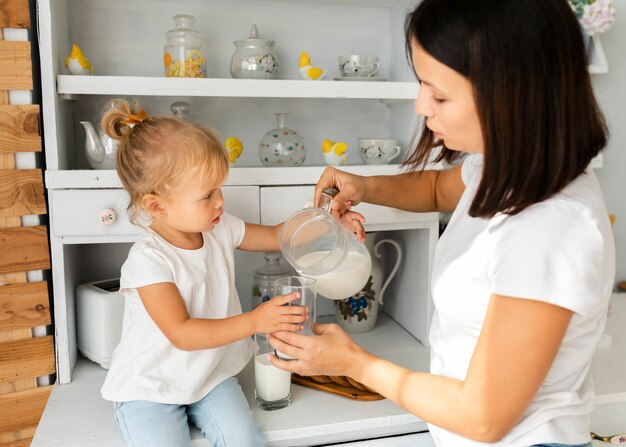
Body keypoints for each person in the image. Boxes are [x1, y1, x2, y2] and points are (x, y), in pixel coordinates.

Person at [269, 1, 615, 446]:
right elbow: (436, 188)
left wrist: (354, 362)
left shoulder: (549, 228)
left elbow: (484, 417)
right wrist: (364, 187)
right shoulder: (502, 167)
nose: (421, 107)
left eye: (439, 94)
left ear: (510, 92)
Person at [99, 99, 312, 447]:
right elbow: (182, 333)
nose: (220, 202)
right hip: (150, 386)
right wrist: (256, 322)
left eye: (219, 189)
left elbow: (277, 236)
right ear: (156, 204)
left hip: (210, 375)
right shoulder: (148, 260)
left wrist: (327, 219)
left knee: (244, 439)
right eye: (207, 195)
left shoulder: (219, 227)